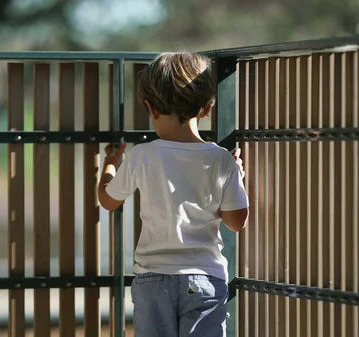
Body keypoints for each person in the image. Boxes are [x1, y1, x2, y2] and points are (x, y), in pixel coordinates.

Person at [97, 52, 249, 337]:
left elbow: (108, 199)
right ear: (206, 108)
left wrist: (109, 165)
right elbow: (236, 222)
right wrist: (237, 176)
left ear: (150, 108)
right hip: (204, 278)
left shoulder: (142, 155)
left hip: (152, 280)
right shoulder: (221, 159)